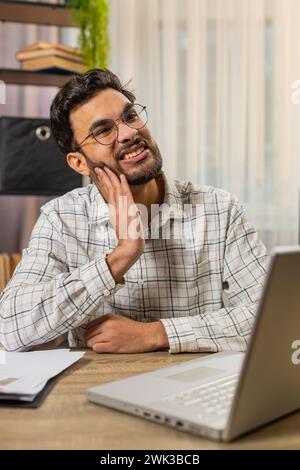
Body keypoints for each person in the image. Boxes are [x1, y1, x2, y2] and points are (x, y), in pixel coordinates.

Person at [0, 69, 268, 353]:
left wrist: (156, 334)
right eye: (103, 131)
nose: (129, 133)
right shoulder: (61, 218)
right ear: (79, 163)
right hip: (91, 389)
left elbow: (271, 316)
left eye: (130, 117)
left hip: (194, 388)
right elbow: (10, 328)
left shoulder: (219, 209)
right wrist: (120, 256)